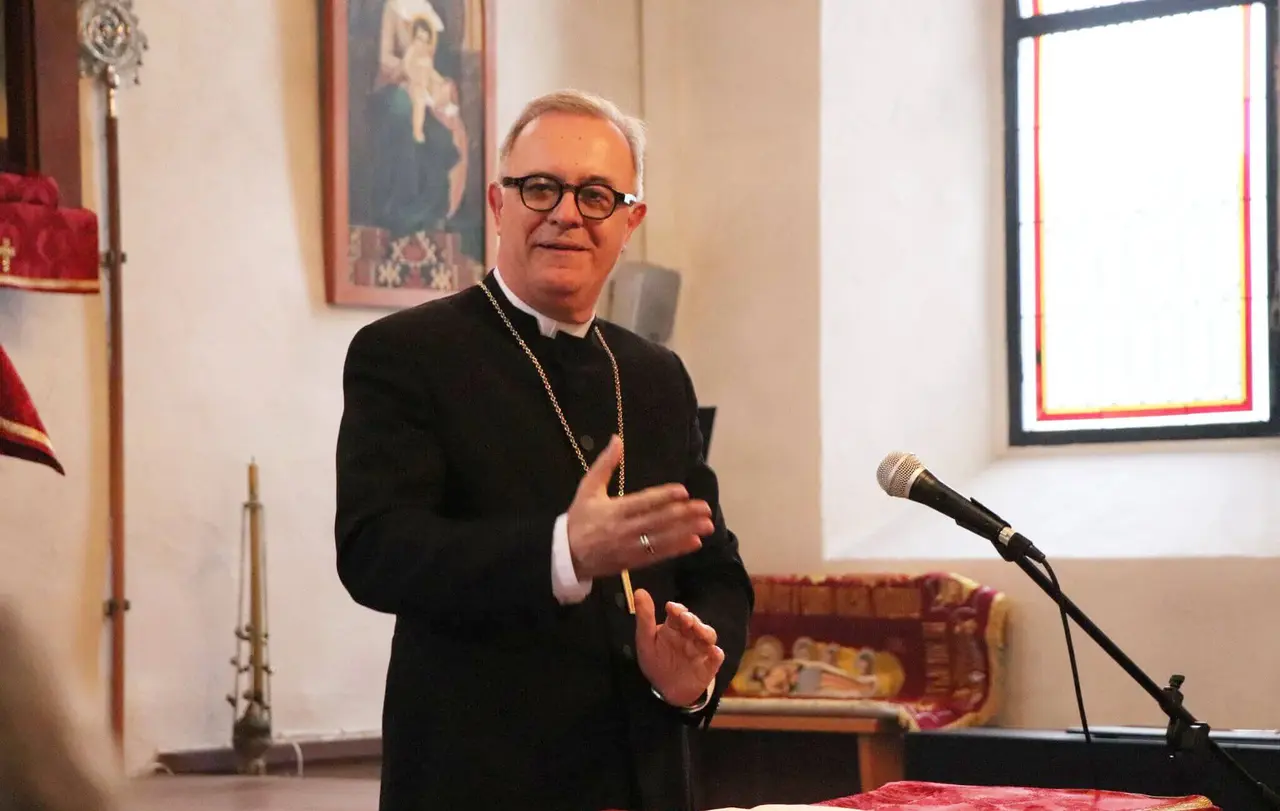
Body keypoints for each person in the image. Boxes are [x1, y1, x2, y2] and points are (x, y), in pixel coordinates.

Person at [334, 88, 754, 811]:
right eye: (541, 188)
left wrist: (691, 674)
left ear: (631, 222)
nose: (566, 213)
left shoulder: (656, 377)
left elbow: (716, 570)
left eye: (596, 195)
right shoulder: (408, 353)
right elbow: (375, 550)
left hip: (647, 783)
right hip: (480, 781)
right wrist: (562, 552)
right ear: (498, 205)